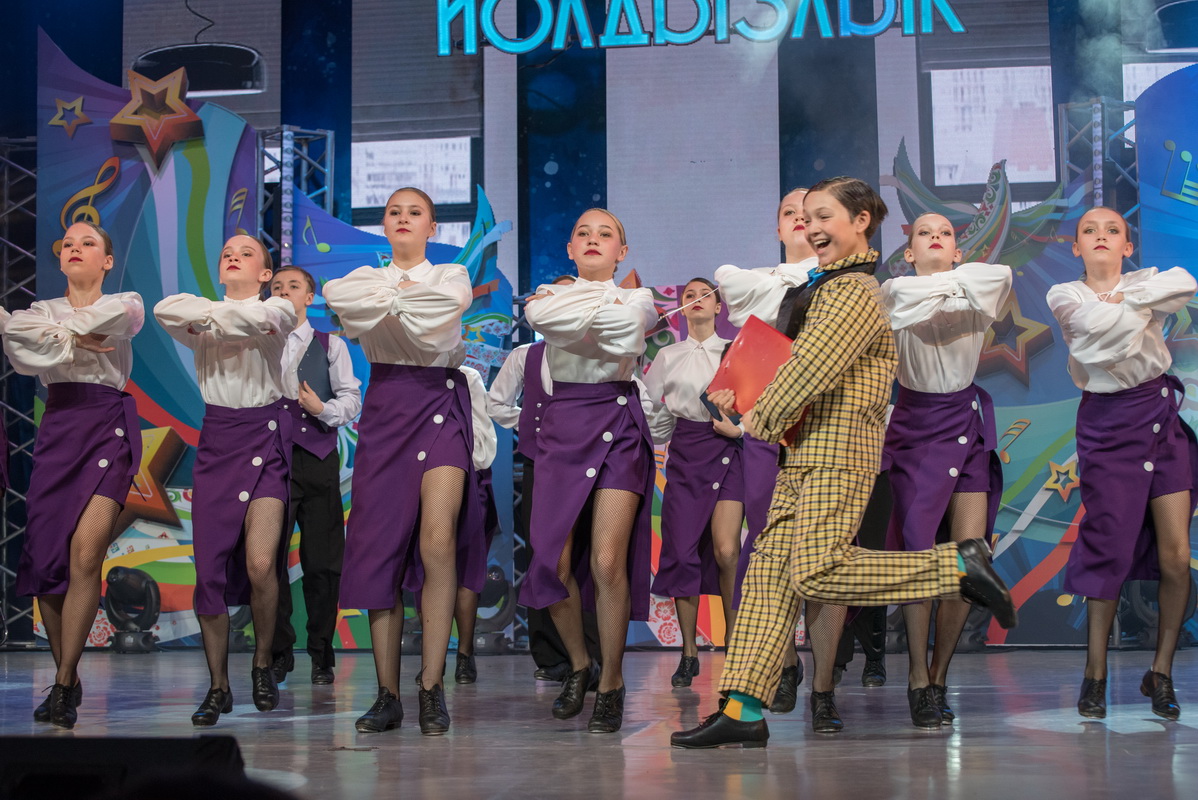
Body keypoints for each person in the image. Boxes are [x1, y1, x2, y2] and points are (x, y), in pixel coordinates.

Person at [672, 176, 1017, 748]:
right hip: (801, 454)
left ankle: (958, 567)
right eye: (805, 218)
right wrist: (745, 393)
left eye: (824, 216)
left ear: (861, 222)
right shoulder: (825, 286)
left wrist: (754, 418)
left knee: (815, 571)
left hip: (837, 456)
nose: (810, 227)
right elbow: (789, 364)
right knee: (768, 577)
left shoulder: (853, 291)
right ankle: (742, 708)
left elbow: (808, 372)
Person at [322, 187, 479, 736]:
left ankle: (432, 685)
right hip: (387, 407)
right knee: (380, 548)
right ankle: (387, 694)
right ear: (384, 225)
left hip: (441, 402)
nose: (404, 219)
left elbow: (441, 312)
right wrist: (396, 296)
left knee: (437, 540)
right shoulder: (363, 276)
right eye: (395, 212)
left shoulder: (452, 274)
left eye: (415, 213)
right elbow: (340, 299)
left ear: (433, 227)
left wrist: (385, 302)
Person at [1047, 206, 1197, 721]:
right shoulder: (1064, 294)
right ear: (1076, 247)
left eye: (1113, 230)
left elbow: (1185, 282)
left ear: (1127, 246)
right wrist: (1137, 304)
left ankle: (1161, 671)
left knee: (1176, 556)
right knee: (1108, 549)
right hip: (1107, 425)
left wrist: (1125, 297)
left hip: (1161, 420)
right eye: (1090, 230)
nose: (1102, 236)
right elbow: (1093, 334)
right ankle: (1095, 673)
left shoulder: (1146, 280)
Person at [520, 208, 657, 733]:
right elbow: (545, 320)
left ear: (622, 252)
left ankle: (612, 681)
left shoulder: (638, 298)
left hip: (619, 425)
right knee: (552, 563)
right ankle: (580, 664)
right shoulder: (544, 297)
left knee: (606, 561)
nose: (594, 239)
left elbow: (628, 334)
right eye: (583, 232)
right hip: (563, 427)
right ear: (570, 249)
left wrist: (574, 317)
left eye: (606, 234)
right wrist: (592, 314)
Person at [155, 234, 297, 726]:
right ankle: (218, 685)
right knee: (209, 572)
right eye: (226, 254)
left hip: (265, 440)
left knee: (260, 563)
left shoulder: (278, 308)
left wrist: (210, 320)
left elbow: (265, 318)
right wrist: (215, 316)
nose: (233, 256)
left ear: (265, 274)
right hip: (217, 443)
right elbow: (165, 310)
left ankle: (262, 661)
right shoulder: (201, 316)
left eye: (246, 253)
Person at [6, 221, 144, 729]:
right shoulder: (39, 310)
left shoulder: (126, 301)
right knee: (46, 561)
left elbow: (118, 320)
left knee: (86, 554)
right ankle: (67, 667)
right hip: (58, 428)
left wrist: (59, 338)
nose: (76, 249)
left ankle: (64, 682)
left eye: (88, 243)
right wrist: (72, 335)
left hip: (107, 427)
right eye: (68, 244)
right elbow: (20, 344)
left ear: (107, 260)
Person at [880, 213, 1012, 728]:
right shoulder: (894, 290)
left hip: (966, 424)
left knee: (968, 559)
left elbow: (998, 277)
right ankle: (916, 675)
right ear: (909, 252)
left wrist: (952, 283)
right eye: (924, 233)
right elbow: (901, 299)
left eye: (946, 233)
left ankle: (938, 676)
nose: (936, 237)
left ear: (958, 251)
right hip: (915, 426)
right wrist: (953, 286)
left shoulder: (983, 281)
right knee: (918, 558)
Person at [711, 188, 815, 712]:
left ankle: (826, 685)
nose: (799, 220)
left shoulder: (847, 281)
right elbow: (732, 287)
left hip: (823, 425)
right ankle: (785, 661)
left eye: (811, 213)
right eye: (789, 213)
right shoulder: (754, 278)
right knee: (767, 544)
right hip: (767, 429)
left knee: (821, 548)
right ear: (777, 228)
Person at [488, 275, 603, 682]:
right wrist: (531, 424)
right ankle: (551, 654)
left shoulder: (600, 350)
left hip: (592, 463)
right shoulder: (526, 355)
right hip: (543, 463)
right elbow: (495, 402)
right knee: (547, 556)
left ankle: (593, 654)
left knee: (590, 557)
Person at [642, 277, 744, 687]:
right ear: (681, 307)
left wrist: (740, 429)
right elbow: (651, 407)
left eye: (706, 295)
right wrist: (659, 432)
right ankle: (688, 651)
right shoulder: (668, 355)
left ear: (719, 307)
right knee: (682, 552)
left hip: (728, 448)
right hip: (686, 452)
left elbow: (756, 402)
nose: (697, 300)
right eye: (689, 295)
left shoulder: (735, 350)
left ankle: (736, 646)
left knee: (727, 550)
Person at [267, 266, 362, 686]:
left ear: (310, 297)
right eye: (276, 287)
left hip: (317, 459)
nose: (284, 291)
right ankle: (278, 652)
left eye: (293, 286)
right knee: (267, 560)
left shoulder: (331, 345)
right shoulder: (260, 342)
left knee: (323, 564)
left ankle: (322, 654)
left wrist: (322, 410)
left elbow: (351, 398)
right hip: (270, 460)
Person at [451, 364, 499, 684]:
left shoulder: (468, 377)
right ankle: (431, 657)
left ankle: (465, 653)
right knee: (427, 566)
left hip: (470, 478)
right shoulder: (407, 373)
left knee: (467, 569)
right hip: (419, 480)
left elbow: (483, 438)